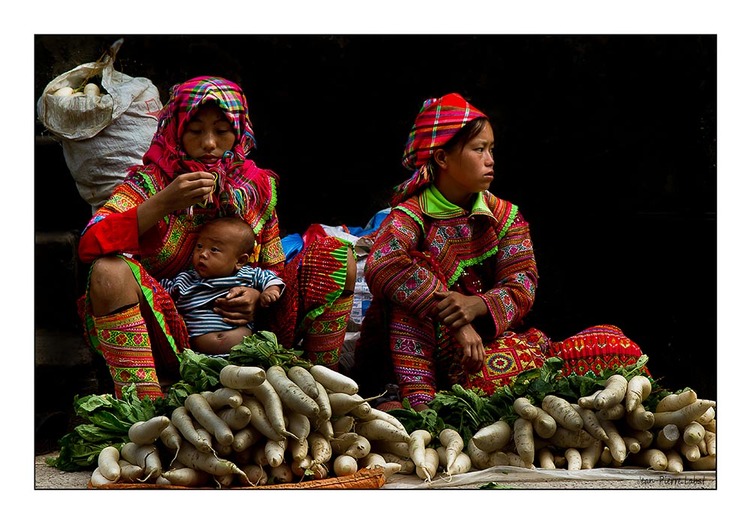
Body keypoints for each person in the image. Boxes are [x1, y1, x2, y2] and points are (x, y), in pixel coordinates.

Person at [353, 93, 645, 411]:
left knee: (618, 347)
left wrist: (477, 306)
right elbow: (384, 262)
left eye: (491, 149)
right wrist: (457, 323)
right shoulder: (411, 216)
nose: (490, 159)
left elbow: (523, 283)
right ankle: (422, 405)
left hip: (499, 345)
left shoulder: (505, 217)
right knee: (411, 277)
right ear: (442, 158)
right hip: (429, 359)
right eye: (479, 149)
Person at [77, 76, 356, 400]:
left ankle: (320, 390)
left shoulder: (258, 189)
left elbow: (274, 267)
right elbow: (89, 243)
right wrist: (162, 204)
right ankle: (145, 405)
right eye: (196, 131)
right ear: (176, 130)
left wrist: (257, 295)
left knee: (339, 256)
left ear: (238, 133)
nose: (209, 143)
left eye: (221, 132)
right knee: (108, 272)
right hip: (170, 333)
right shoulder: (151, 184)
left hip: (248, 334)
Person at [159, 216, 284, 355]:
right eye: (199, 246)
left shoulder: (247, 275)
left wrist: (269, 291)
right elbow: (158, 292)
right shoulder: (186, 279)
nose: (203, 254)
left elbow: (271, 278)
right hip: (198, 357)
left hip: (243, 354)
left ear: (240, 261)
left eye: (214, 249)